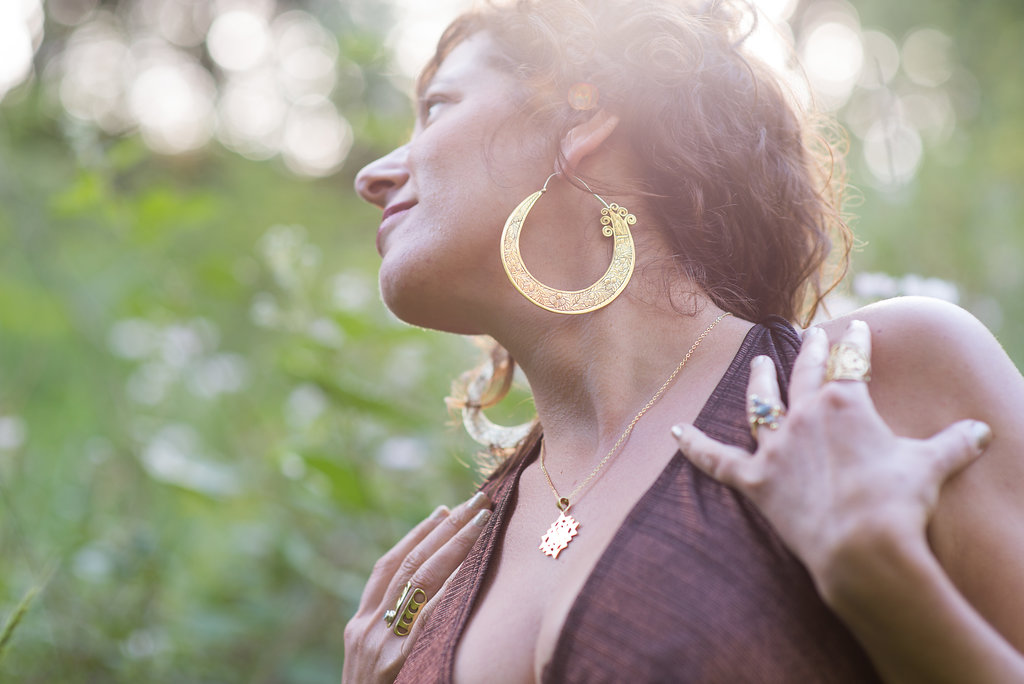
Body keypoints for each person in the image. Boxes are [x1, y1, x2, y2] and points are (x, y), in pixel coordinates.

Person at [344, 0, 1024, 681]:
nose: (371, 177)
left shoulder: (880, 379)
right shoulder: (446, 569)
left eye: (436, 108)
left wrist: (886, 583)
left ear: (583, 116)